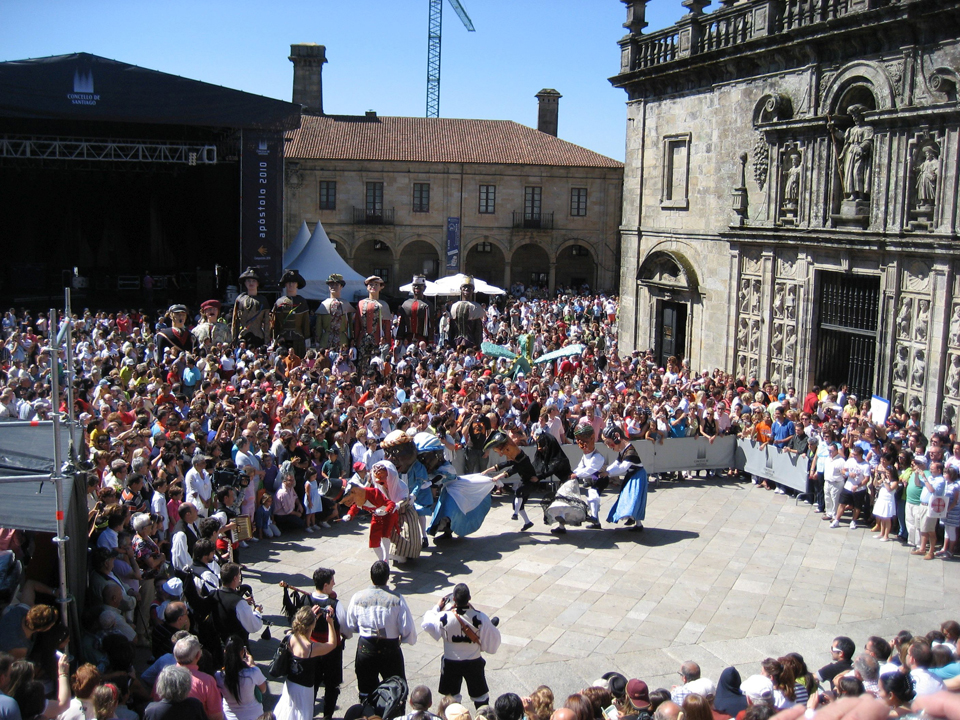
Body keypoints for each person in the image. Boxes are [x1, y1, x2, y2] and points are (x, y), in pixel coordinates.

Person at [345, 560, 417, 703]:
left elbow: (350, 624)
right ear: (388, 577)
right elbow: (408, 629)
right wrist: (405, 639)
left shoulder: (358, 597)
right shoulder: (397, 599)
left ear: (371, 576)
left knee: (366, 693)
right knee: (397, 692)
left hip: (366, 648)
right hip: (390, 649)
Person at [421, 583, 501, 709]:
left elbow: (426, 624)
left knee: (451, 699)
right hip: (473, 662)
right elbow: (493, 640)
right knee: (481, 698)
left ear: (454, 599)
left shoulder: (444, 617)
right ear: (469, 598)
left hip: (451, 662)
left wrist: (437, 607)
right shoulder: (480, 617)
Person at [482, 430, 540, 531]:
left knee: (519, 492)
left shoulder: (523, 460)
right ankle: (527, 522)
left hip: (532, 483)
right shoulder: (517, 458)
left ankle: (515, 515)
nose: (504, 454)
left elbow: (512, 470)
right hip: (526, 481)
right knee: (518, 504)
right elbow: (503, 465)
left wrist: (497, 477)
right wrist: (487, 470)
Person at [601, 426, 648, 531]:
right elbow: (617, 462)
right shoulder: (623, 450)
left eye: (609, 443)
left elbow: (623, 468)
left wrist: (607, 473)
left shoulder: (630, 451)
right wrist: (606, 470)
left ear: (616, 436)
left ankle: (636, 521)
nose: (609, 446)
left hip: (638, 476)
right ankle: (635, 521)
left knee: (633, 499)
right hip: (632, 475)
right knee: (627, 497)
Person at [211, 563, 264, 649]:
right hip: (236, 646)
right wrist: (257, 611)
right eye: (239, 576)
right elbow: (253, 625)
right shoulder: (238, 602)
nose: (240, 579)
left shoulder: (214, 594)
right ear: (235, 578)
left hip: (219, 644)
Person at [215, 635, 266, 720]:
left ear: (225, 652)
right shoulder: (254, 672)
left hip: (230, 717)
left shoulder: (218, 675)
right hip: (255, 716)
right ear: (243, 652)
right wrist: (252, 665)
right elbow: (263, 689)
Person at [273, 270, 311, 357]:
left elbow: (306, 323)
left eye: (293, 282)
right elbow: (276, 324)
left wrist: (307, 341)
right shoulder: (279, 302)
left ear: (297, 284)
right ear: (285, 284)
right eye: (288, 282)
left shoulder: (302, 301)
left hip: (298, 339)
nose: (291, 285)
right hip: (283, 339)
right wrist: (275, 339)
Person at [231, 268, 269, 348]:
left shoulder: (263, 300)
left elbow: (267, 323)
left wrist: (267, 342)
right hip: (242, 337)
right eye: (248, 280)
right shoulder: (240, 299)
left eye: (254, 281)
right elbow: (235, 322)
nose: (251, 283)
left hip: (258, 337)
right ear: (245, 283)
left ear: (258, 283)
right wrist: (234, 340)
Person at [316, 274, 354, 351]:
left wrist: (352, 339)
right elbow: (318, 327)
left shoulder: (346, 304)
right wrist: (317, 341)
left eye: (336, 284)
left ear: (341, 286)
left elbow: (351, 325)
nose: (333, 287)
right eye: (331, 284)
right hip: (326, 341)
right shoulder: (323, 305)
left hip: (342, 341)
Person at [399, 276, 433, 345]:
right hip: (407, 339)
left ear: (424, 288)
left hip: (422, 340)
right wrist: (399, 338)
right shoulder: (406, 304)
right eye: (415, 286)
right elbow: (402, 323)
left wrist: (431, 341)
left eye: (420, 286)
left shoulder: (429, 305)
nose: (417, 288)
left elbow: (431, 325)